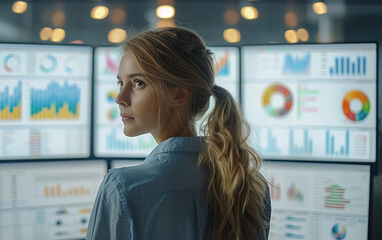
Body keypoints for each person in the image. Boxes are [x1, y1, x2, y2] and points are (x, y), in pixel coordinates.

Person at [86, 27, 271, 240]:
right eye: (121, 83)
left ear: (179, 95)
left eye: (138, 83)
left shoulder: (122, 188)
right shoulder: (250, 186)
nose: (120, 97)